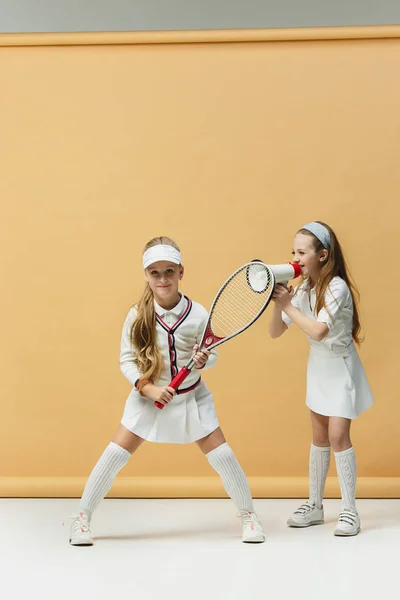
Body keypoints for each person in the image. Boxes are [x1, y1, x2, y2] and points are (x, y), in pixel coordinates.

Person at [69, 236, 265, 545]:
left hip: (192, 397)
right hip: (147, 399)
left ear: (181, 272)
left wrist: (203, 360)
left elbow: (210, 356)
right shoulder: (136, 315)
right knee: (114, 455)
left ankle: (248, 516)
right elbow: (126, 360)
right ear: (146, 275)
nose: (163, 279)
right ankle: (81, 518)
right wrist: (148, 389)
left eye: (169, 271)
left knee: (223, 456)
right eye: (155, 272)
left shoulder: (199, 314)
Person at [269, 221, 374, 536]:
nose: (296, 258)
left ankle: (349, 511)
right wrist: (278, 304)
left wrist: (288, 304)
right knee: (319, 437)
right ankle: (315, 505)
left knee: (339, 436)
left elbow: (318, 330)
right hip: (318, 368)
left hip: (340, 367)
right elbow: (276, 332)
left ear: (323, 255)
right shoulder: (302, 289)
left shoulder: (336, 287)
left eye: (302, 252)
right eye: (293, 251)